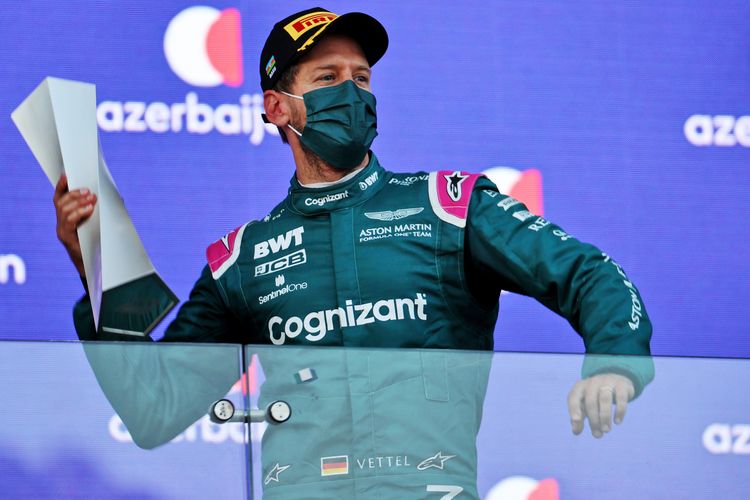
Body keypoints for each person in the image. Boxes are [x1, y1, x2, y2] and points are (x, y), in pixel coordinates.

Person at [53, 6, 653, 498]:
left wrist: (614, 360)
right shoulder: (242, 259)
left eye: (360, 78)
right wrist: (95, 270)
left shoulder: (448, 206)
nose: (351, 92)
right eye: (326, 78)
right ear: (277, 108)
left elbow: (588, 272)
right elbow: (157, 409)